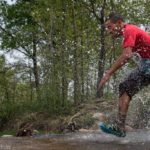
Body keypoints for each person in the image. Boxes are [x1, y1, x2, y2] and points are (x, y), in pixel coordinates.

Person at [99, 12, 150, 137]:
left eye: (110, 27)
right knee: (125, 86)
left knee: (125, 86)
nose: (109, 31)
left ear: (119, 23)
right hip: (146, 64)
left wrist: (108, 73)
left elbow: (126, 55)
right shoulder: (131, 30)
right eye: (107, 28)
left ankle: (120, 127)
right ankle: (120, 126)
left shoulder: (129, 30)